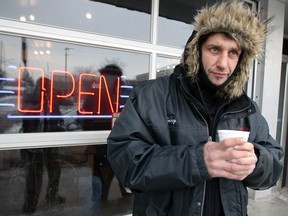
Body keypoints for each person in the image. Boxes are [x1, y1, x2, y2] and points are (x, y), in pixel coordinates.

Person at [107, 1, 284, 215]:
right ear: (196, 50)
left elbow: (274, 164)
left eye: (233, 53)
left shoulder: (246, 108)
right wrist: (198, 161)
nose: (223, 63)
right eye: (215, 49)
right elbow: (126, 162)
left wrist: (257, 161)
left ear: (241, 59)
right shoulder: (150, 96)